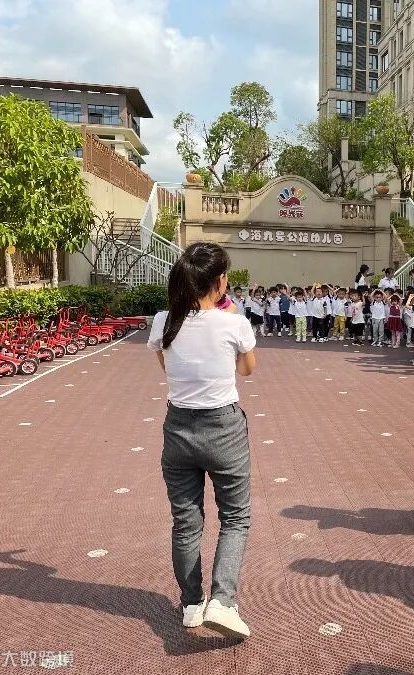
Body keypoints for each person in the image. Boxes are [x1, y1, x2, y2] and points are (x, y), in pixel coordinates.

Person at [147, 242, 256, 638]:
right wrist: (229, 316)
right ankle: (223, 602)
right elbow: (248, 370)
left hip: (178, 427)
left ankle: (192, 604)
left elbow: (166, 366)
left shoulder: (164, 321)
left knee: (186, 521)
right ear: (220, 281)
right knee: (235, 518)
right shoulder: (233, 323)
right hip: (222, 427)